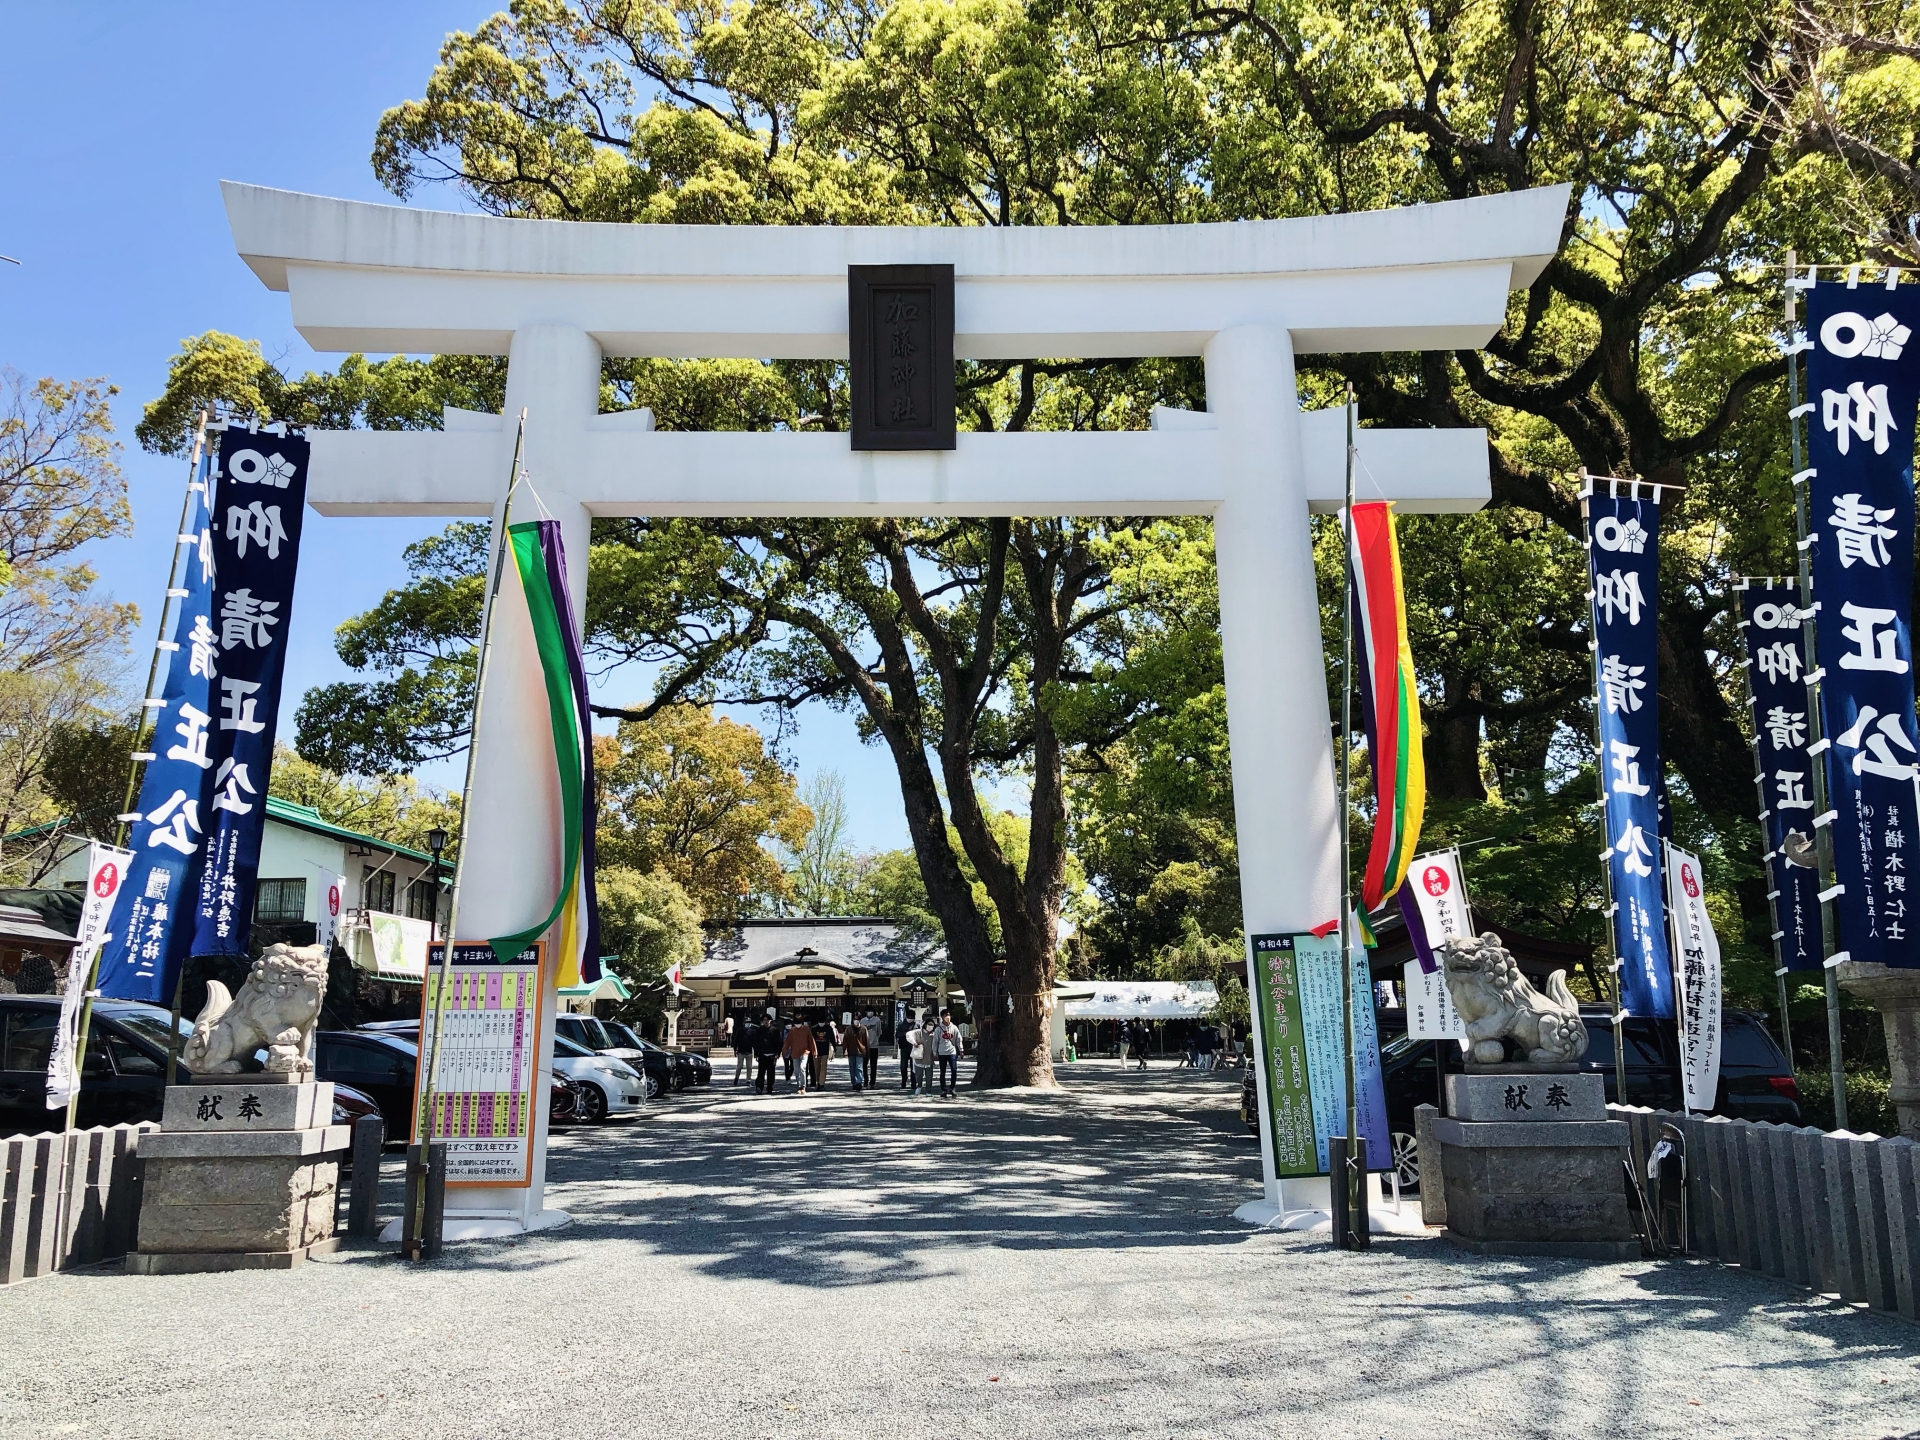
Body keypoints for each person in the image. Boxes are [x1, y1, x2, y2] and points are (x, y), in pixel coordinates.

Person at [782, 1018, 817, 1094]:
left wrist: (814, 1051)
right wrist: (784, 1052)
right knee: (796, 1070)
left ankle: (803, 1086)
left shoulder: (806, 1029)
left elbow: (811, 1040)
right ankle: (799, 1085)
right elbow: (787, 1042)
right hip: (794, 1053)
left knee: (802, 1067)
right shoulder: (792, 1030)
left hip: (804, 1052)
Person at [933, 1009, 962, 1097]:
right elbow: (935, 1042)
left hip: (952, 1052)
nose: (947, 1017)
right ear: (942, 1017)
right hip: (942, 1053)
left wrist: (961, 1050)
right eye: (945, 1015)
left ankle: (952, 1088)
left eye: (948, 1015)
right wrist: (935, 1053)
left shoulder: (954, 1028)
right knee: (943, 1072)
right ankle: (943, 1089)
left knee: (954, 1070)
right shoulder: (938, 1029)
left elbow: (958, 1039)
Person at [752, 1017, 781, 1094]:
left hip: (772, 1055)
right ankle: (759, 1087)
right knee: (761, 1072)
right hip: (762, 1054)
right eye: (764, 1020)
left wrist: (777, 1053)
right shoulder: (759, 1030)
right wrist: (756, 1053)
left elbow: (778, 1042)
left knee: (771, 1073)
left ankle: (769, 1087)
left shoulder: (775, 1030)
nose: (766, 1022)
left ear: (770, 1021)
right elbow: (756, 1042)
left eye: (767, 1020)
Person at [910, 1017, 937, 1095]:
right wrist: (914, 1042)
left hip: (929, 1058)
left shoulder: (934, 1035)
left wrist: (935, 1054)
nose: (930, 1027)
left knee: (929, 1076)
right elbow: (909, 1035)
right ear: (925, 1025)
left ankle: (928, 1090)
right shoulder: (919, 1032)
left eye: (932, 1025)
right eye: (929, 1024)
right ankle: (919, 1086)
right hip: (919, 1057)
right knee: (918, 1075)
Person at [844, 1017, 869, 1091]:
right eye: (855, 1019)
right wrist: (845, 1050)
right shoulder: (848, 1029)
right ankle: (854, 1083)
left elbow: (867, 1041)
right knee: (852, 1068)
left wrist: (867, 1051)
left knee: (859, 1067)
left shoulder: (863, 1029)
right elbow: (845, 1040)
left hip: (860, 1051)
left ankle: (859, 1082)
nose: (856, 1021)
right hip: (851, 1050)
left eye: (857, 1019)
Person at [860, 1012, 881, 1089]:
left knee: (873, 1065)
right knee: (864, 1064)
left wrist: (875, 1040)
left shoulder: (877, 1020)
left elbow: (879, 1032)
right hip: (864, 1046)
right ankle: (865, 1080)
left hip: (874, 1046)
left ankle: (872, 1082)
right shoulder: (862, 1021)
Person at [898, 1016, 915, 1088]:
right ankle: (904, 1081)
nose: (910, 1018)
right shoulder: (901, 1025)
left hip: (913, 1048)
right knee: (903, 1066)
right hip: (904, 1048)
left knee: (913, 1067)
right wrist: (904, 1034)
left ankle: (913, 1082)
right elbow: (897, 1035)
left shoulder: (916, 1025)